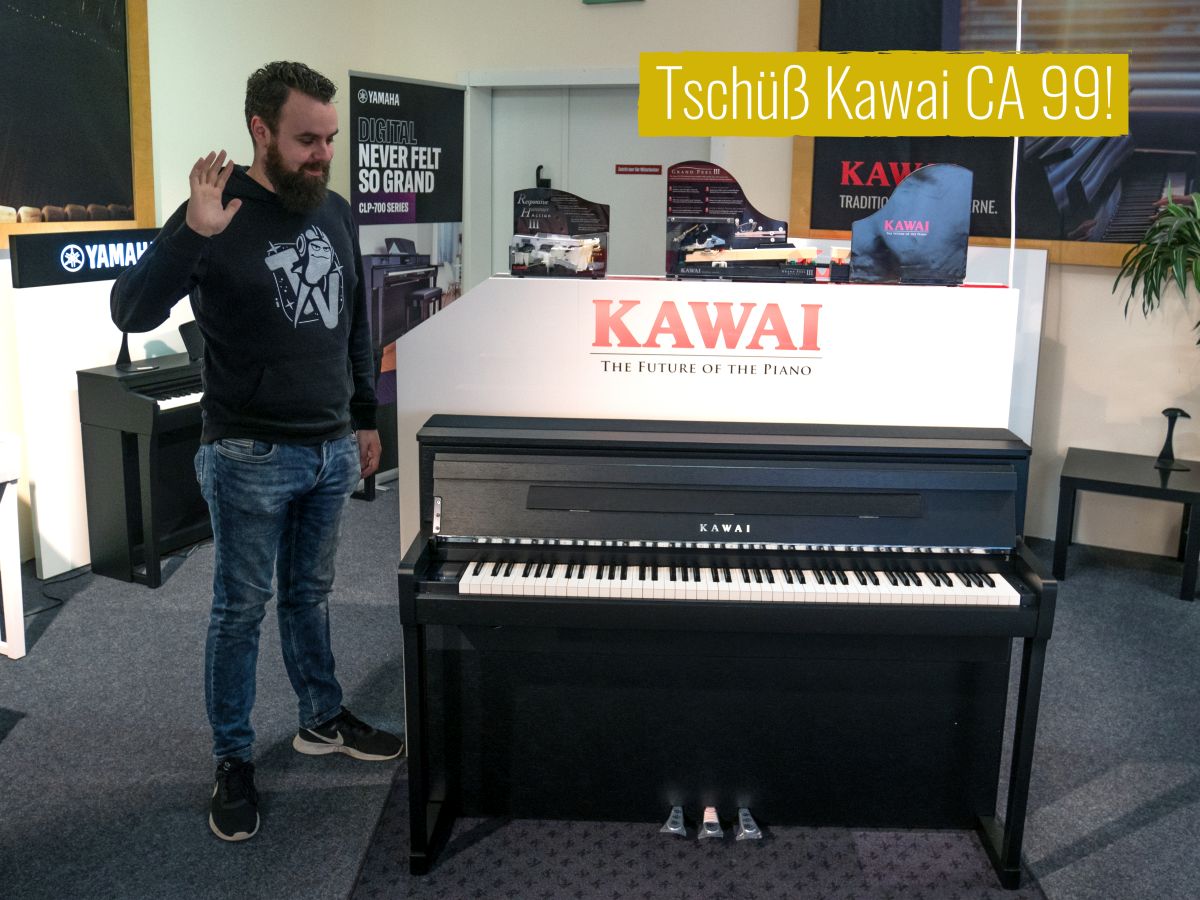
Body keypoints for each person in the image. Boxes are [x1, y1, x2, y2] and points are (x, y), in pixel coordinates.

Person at [111, 61, 402, 843]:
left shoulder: (334, 211)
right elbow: (131, 312)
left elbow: (354, 323)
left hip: (329, 448)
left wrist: (364, 416)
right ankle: (233, 759)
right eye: (308, 140)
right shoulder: (214, 214)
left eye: (330, 139)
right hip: (248, 455)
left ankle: (321, 717)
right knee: (239, 612)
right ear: (260, 131)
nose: (323, 154)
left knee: (310, 594)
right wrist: (190, 234)